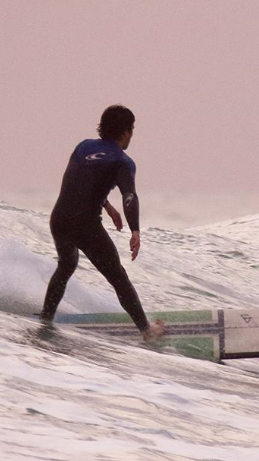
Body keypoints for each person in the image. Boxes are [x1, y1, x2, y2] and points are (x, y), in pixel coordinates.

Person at [40, 105, 165, 343]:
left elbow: (79, 182)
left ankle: (46, 319)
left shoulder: (83, 147)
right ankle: (147, 331)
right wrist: (135, 230)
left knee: (66, 265)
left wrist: (105, 205)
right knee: (118, 277)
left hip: (59, 219)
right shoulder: (122, 161)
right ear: (126, 131)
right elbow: (129, 196)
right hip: (85, 226)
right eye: (132, 129)